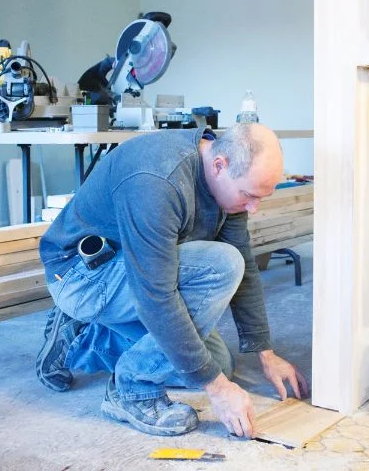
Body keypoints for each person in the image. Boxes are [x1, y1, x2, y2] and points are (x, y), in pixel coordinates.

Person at [35, 123, 309, 438]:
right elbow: (155, 296)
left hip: (135, 271)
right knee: (221, 266)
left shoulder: (228, 184)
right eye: (248, 195)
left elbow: (246, 266)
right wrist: (218, 390)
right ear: (220, 165)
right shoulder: (157, 180)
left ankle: (84, 338)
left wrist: (265, 353)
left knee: (216, 363)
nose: (253, 208)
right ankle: (131, 389)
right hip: (82, 276)